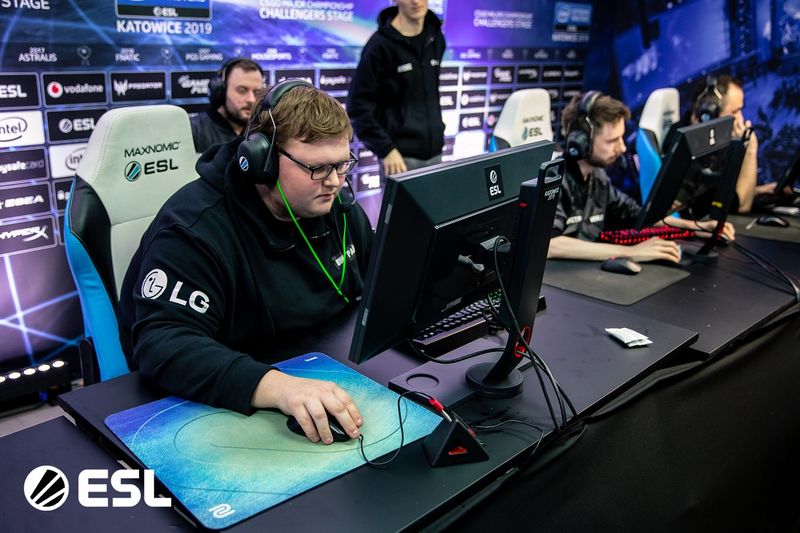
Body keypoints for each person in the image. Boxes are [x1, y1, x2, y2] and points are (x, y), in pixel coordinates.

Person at [119, 81, 374, 445]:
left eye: (342, 164)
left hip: (326, 368)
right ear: (262, 161)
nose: (334, 182)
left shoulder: (337, 207)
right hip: (234, 401)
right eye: (317, 168)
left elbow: (380, 280)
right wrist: (279, 387)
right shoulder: (194, 227)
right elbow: (163, 344)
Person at [548, 91, 735, 263]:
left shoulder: (598, 178)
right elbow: (550, 244)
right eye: (612, 141)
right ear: (581, 142)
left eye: (621, 138)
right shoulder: (556, 179)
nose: (622, 148)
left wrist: (696, 227)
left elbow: (640, 215)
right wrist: (632, 252)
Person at [348, 0, 446, 178]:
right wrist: (386, 150)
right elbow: (357, 106)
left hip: (436, 153)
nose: (415, 1)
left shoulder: (436, 37)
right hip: (400, 159)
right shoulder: (379, 45)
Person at [689, 74, 759, 213]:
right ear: (709, 114)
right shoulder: (690, 153)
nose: (741, 118)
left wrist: (758, 191)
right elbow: (741, 205)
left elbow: (725, 190)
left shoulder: (714, 142)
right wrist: (750, 150)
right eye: (735, 111)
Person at [190, 58, 264, 154]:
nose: (251, 100)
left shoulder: (264, 132)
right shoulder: (194, 130)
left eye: (257, 92)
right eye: (242, 90)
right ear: (221, 91)